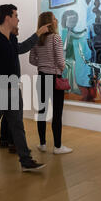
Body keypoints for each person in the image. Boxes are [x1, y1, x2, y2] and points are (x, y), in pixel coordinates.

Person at [0, 4, 46, 172]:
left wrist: (37, 34)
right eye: (16, 15)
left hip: (14, 90)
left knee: (17, 125)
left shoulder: (12, 39)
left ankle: (25, 160)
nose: (18, 18)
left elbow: (21, 48)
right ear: (7, 18)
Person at [0, 24, 50, 153]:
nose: (19, 26)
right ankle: (14, 144)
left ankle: (4, 140)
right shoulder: (10, 40)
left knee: (6, 114)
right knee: (15, 117)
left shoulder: (3, 40)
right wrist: (38, 33)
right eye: (16, 23)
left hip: (5, 83)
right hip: (9, 84)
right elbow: (22, 48)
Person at [29, 11, 72, 154]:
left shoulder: (37, 39)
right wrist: (62, 67)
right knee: (57, 113)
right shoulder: (56, 38)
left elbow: (31, 60)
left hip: (41, 77)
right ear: (49, 23)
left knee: (42, 112)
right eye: (54, 18)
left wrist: (42, 64)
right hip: (54, 79)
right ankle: (58, 147)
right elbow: (60, 61)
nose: (57, 20)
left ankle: (42, 144)